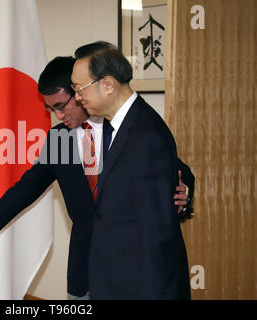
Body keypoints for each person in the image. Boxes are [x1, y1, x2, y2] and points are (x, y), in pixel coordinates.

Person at [0, 56, 194, 299]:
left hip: (131, 268)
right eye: (50, 109)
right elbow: (24, 190)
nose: (58, 116)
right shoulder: (60, 140)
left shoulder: (120, 128)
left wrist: (185, 189)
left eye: (60, 106)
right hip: (85, 267)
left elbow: (174, 165)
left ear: (79, 93)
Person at [70, 41, 191, 299]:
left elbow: (156, 233)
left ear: (108, 85)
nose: (77, 97)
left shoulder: (146, 135)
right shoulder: (118, 127)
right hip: (113, 279)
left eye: (79, 89)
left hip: (138, 287)